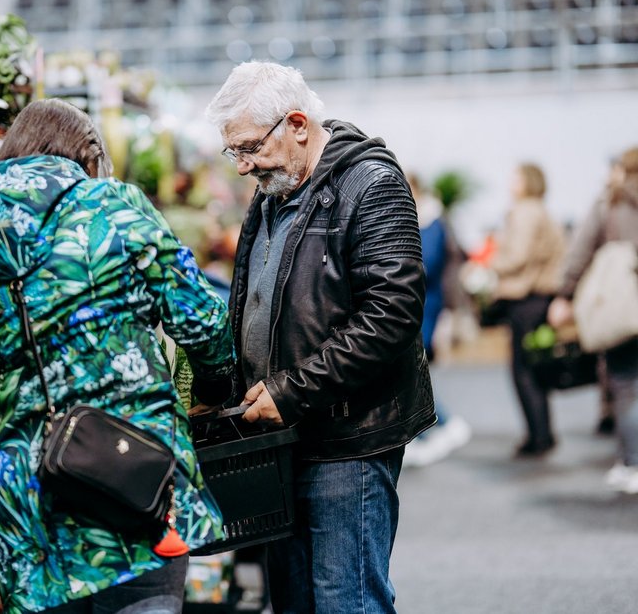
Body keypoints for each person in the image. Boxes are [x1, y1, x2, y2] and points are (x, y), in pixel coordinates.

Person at [0, 99, 235, 612]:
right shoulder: (114, 206)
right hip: (130, 472)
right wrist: (213, 385)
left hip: (26, 487)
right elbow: (200, 320)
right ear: (90, 154)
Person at [205, 61, 435, 614]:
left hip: (348, 442)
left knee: (348, 601)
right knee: (294, 602)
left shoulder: (372, 184)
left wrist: (291, 391)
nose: (241, 166)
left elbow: (393, 315)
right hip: (285, 444)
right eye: (232, 151)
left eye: (248, 147)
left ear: (299, 125)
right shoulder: (270, 195)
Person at [548, 146, 638, 494]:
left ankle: (633, 466)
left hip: (627, 310)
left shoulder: (611, 204)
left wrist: (565, 295)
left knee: (629, 385)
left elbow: (581, 251)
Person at [491, 163, 565, 457]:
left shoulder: (525, 212)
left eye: (516, 176)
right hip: (541, 297)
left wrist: (489, 262)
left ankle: (538, 437)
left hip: (525, 299)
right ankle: (543, 432)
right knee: (536, 367)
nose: (511, 182)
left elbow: (517, 257)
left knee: (524, 371)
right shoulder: (543, 211)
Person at [403, 173, 472, 467]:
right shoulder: (423, 218)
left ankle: (441, 424)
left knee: (413, 368)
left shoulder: (431, 221)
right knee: (414, 369)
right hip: (417, 303)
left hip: (426, 304)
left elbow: (426, 262)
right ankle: (429, 429)